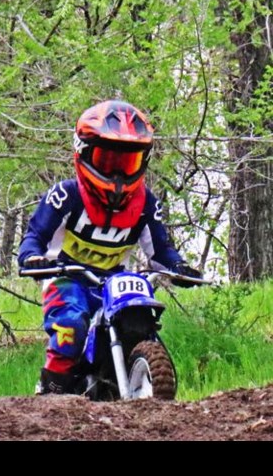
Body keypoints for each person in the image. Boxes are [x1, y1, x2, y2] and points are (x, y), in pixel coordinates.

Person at [16, 100, 202, 395]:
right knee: (71, 324)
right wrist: (32, 257)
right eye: (108, 161)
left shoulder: (146, 203)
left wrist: (178, 267)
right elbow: (34, 235)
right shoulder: (66, 195)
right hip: (67, 276)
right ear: (84, 153)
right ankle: (51, 390)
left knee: (141, 316)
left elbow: (160, 251)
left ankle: (136, 372)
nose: (117, 175)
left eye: (126, 163)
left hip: (114, 280)